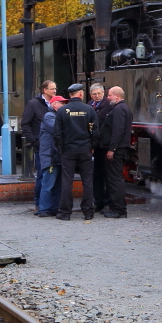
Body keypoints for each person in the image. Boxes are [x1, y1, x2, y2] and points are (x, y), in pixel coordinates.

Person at [53, 83, 98, 222]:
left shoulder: (62, 110)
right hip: (85, 149)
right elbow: (95, 131)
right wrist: (92, 146)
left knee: (67, 181)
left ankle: (65, 212)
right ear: (80, 94)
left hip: (68, 150)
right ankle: (88, 212)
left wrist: (61, 147)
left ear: (70, 95)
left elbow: (57, 133)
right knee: (88, 181)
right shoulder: (89, 110)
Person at [21, 80, 57, 210]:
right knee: (42, 174)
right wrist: (35, 141)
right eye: (52, 89)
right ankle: (39, 203)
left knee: (51, 175)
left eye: (55, 89)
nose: (54, 91)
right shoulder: (33, 104)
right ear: (44, 90)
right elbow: (25, 124)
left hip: (55, 147)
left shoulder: (56, 104)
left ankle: (51, 203)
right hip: (41, 146)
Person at [101, 86, 133, 218]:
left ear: (117, 96)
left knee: (115, 179)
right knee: (115, 178)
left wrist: (111, 149)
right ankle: (116, 207)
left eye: (109, 95)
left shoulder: (119, 109)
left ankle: (119, 209)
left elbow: (117, 131)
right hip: (120, 147)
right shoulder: (123, 108)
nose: (107, 98)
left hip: (117, 149)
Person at [36, 94, 67, 216]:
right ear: (54, 105)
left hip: (55, 156)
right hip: (50, 157)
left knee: (57, 185)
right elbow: (58, 130)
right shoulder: (49, 117)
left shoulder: (55, 116)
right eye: (62, 103)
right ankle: (44, 209)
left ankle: (53, 208)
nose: (65, 106)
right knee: (48, 184)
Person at [92, 88, 117, 208]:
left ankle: (107, 201)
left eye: (99, 93)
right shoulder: (89, 105)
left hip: (104, 145)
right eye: (94, 94)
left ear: (103, 93)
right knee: (97, 174)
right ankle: (98, 200)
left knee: (107, 174)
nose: (97, 96)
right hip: (95, 145)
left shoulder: (109, 106)